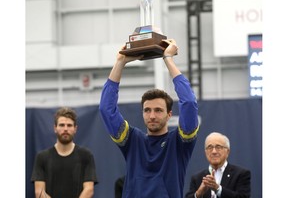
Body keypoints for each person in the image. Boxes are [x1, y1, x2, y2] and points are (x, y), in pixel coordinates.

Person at [99, 39, 199, 197]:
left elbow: (189, 102)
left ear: (169, 115)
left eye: (158, 110)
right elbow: (106, 109)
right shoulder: (132, 140)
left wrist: (168, 59)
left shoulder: (180, 142)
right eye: (147, 110)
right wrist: (120, 62)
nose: (152, 115)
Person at [31, 107, 98, 198]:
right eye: (62, 125)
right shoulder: (42, 157)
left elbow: (89, 190)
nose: (65, 129)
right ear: (55, 128)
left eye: (69, 125)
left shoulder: (86, 155)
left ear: (75, 129)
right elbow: (39, 192)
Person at [185, 132, 251, 198]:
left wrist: (218, 189)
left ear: (227, 151)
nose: (214, 151)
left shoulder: (241, 174)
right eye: (210, 147)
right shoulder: (197, 178)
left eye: (218, 147)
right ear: (205, 152)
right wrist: (198, 193)